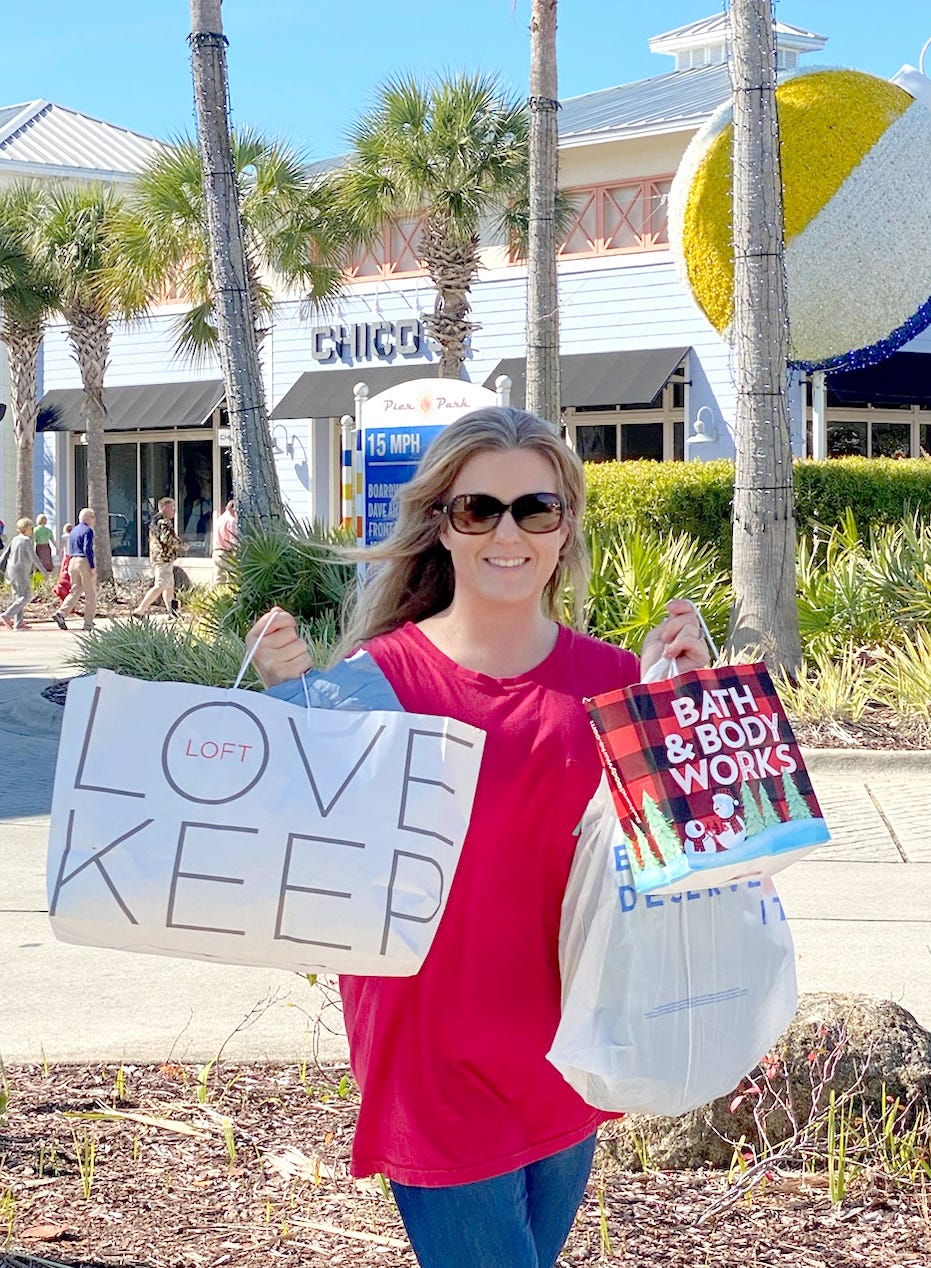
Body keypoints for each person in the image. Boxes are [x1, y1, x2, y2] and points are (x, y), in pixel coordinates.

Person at [247, 406, 709, 1268]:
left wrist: (680, 707)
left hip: (570, 1047)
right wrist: (291, 704)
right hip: (434, 1060)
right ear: (442, 527)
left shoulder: (614, 680)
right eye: (478, 510)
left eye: (534, 509)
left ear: (565, 528)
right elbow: (310, 862)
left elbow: (678, 855)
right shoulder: (371, 682)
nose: (508, 532)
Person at [131, 497, 184, 622]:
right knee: (160, 585)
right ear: (164, 507)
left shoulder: (154, 521)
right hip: (164, 558)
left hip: (159, 558)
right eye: (172, 507)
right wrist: (181, 544)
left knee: (169, 586)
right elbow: (167, 539)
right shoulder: (164, 522)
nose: (174, 510)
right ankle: (140, 610)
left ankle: (173, 613)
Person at [54, 508, 96, 632]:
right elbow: (87, 548)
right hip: (83, 561)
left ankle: (61, 613)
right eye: (93, 517)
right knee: (91, 594)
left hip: (72, 561)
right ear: (88, 518)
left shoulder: (73, 531)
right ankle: (88, 623)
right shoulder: (88, 530)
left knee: (75, 590)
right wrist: (92, 566)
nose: (94, 520)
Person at [1, 517, 41, 630]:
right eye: (31, 528)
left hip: (11, 570)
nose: (32, 530)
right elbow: (34, 558)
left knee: (17, 597)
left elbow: (6, 554)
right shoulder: (26, 540)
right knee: (26, 595)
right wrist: (43, 571)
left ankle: (18, 624)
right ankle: (7, 615)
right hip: (21, 571)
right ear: (27, 529)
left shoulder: (15, 539)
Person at [212, 498, 237, 583]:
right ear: (233, 509)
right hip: (226, 553)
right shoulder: (231, 520)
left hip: (216, 552)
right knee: (231, 579)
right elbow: (233, 539)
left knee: (218, 580)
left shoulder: (219, 519)